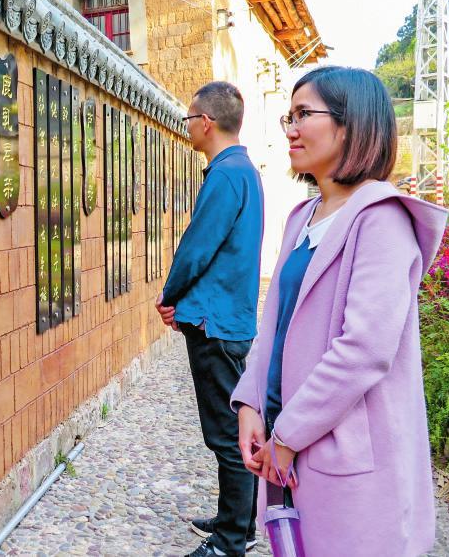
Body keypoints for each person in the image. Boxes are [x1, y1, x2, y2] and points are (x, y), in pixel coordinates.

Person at [230, 66, 447, 556]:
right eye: (290, 114)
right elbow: (274, 325)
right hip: (287, 445)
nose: (290, 128)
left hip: (343, 451)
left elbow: (364, 349)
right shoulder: (302, 218)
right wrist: (248, 404)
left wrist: (287, 433)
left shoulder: (382, 220)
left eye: (304, 114)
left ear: (352, 124)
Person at [156, 81, 264, 557]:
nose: (188, 127)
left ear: (205, 121)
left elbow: (198, 246)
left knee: (226, 434)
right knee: (232, 428)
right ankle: (238, 521)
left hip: (214, 323)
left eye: (188, 118)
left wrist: (170, 294)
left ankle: (229, 543)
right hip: (228, 316)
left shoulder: (224, 174)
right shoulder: (244, 170)